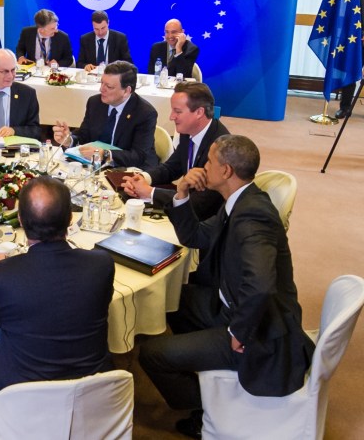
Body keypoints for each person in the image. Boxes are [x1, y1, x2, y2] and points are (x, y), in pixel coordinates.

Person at [139, 135, 315, 439]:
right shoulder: (239, 200)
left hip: (257, 332)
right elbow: (195, 237)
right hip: (230, 305)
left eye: (209, 161)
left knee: (151, 354)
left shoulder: (253, 216)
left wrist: (238, 333)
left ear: (226, 171)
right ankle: (202, 359)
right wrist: (181, 192)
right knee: (172, 299)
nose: (203, 167)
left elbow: (260, 285)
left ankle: (205, 407)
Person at [0, 176, 115, 437]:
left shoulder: (1, 275)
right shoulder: (101, 264)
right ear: (70, 218)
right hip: (92, 391)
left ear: (20, 221)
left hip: (19, 399)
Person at [122, 82, 229, 220]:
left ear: (199, 112)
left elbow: (201, 204)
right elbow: (173, 167)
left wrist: (150, 192)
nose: (171, 117)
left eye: (178, 111)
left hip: (206, 222)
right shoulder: (189, 130)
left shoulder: (220, 147)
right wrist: (144, 178)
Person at [52, 61, 159, 170]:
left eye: (109, 86)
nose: (101, 89)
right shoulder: (95, 102)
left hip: (130, 169)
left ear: (126, 91)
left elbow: (138, 155)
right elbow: (85, 134)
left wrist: (105, 154)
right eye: (101, 83)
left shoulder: (145, 113)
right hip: (96, 165)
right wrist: (69, 140)